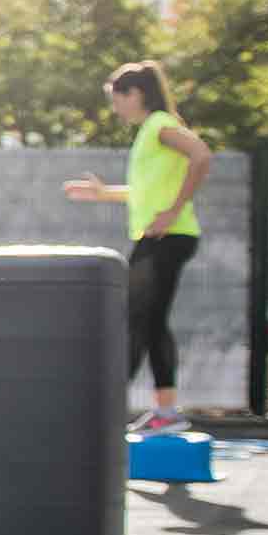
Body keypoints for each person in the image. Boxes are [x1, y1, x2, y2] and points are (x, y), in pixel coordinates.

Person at [65, 59, 212, 434]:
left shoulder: (160, 125)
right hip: (161, 237)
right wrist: (103, 194)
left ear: (136, 94)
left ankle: (119, 407)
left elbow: (201, 156)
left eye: (118, 99)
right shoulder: (149, 131)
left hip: (167, 238)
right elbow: (146, 192)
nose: (116, 108)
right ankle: (161, 410)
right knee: (145, 319)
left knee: (137, 319)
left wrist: (172, 211)